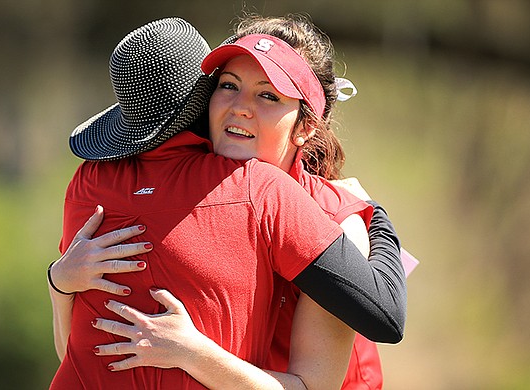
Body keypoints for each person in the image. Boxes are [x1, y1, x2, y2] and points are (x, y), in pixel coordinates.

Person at [48, 17, 406, 389]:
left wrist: (372, 214)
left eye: (268, 95)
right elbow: (77, 355)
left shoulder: (332, 214)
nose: (240, 107)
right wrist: (59, 283)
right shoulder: (181, 191)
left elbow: (358, 342)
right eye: (228, 86)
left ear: (305, 127)